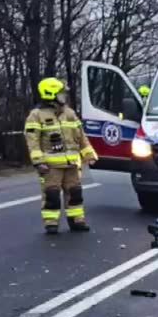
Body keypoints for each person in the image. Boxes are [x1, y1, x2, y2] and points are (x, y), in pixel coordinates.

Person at [23, 78, 97, 234]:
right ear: (50, 94)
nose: (64, 95)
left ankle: (77, 221)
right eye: (61, 93)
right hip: (51, 166)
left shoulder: (69, 113)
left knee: (75, 193)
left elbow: (81, 137)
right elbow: (32, 141)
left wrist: (89, 154)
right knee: (52, 194)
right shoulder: (36, 115)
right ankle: (51, 223)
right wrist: (38, 162)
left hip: (71, 164)